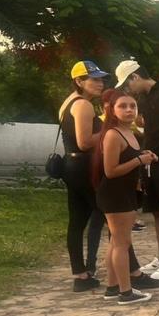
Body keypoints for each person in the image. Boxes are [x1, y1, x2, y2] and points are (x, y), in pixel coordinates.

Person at [114, 60, 159, 281]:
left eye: (128, 84)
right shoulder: (142, 99)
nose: (127, 90)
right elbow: (146, 126)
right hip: (148, 160)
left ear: (135, 76)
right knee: (156, 210)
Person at [94, 91, 159, 305]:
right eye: (123, 106)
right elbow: (110, 170)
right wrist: (139, 161)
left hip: (126, 192)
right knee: (121, 243)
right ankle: (126, 291)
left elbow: (129, 157)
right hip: (115, 193)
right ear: (111, 110)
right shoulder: (113, 134)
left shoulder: (128, 132)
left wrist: (144, 155)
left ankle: (113, 287)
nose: (129, 109)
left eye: (133, 105)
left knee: (117, 242)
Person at [59, 61, 109, 291]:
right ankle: (132, 273)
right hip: (84, 167)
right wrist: (110, 131)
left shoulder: (68, 102)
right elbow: (85, 141)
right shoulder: (83, 105)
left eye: (101, 79)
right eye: (94, 79)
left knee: (77, 222)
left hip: (72, 165)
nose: (100, 83)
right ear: (79, 81)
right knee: (114, 216)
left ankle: (81, 276)